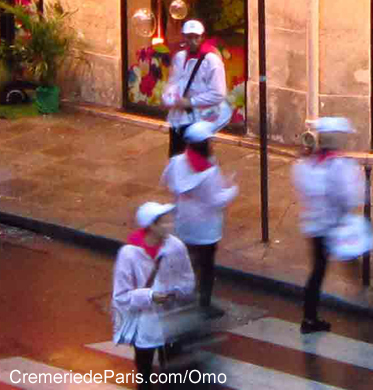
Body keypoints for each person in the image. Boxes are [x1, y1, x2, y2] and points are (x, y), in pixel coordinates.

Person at [292, 117, 365, 334]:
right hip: (331, 224)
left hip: (314, 224)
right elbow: (349, 196)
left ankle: (312, 315)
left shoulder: (307, 165)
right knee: (326, 267)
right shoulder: (338, 165)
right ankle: (310, 318)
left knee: (322, 267)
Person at [112, 202, 195, 390]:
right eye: (163, 223)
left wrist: (175, 293)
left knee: (174, 375)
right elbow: (121, 296)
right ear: (151, 226)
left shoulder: (176, 247)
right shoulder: (128, 254)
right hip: (144, 327)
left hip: (171, 321)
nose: (169, 225)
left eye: (169, 221)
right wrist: (150, 296)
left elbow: (187, 279)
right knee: (145, 373)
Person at [161, 121, 238, 317]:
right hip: (206, 228)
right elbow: (215, 200)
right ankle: (204, 303)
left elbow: (168, 182)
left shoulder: (177, 162)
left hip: (184, 222)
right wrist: (232, 190)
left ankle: (178, 298)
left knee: (186, 263)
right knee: (206, 265)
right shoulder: (208, 172)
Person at [162, 19, 231, 157]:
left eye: (196, 37)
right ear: (184, 37)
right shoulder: (180, 57)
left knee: (198, 163)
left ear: (202, 37)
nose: (192, 41)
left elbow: (218, 93)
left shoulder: (212, 61)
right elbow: (174, 82)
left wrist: (190, 102)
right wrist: (168, 98)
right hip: (178, 120)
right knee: (177, 160)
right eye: (189, 37)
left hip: (198, 121)